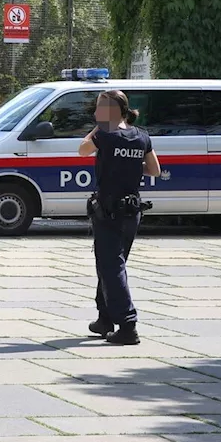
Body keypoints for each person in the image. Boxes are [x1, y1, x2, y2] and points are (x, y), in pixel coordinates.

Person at [77, 90, 161, 345]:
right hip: (132, 211)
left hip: (109, 210)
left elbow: (82, 150)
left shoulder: (104, 134)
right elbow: (154, 170)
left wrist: (98, 128)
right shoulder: (141, 136)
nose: (95, 113)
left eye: (99, 109)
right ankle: (105, 319)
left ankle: (127, 324)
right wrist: (130, 165)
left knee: (111, 267)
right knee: (112, 264)